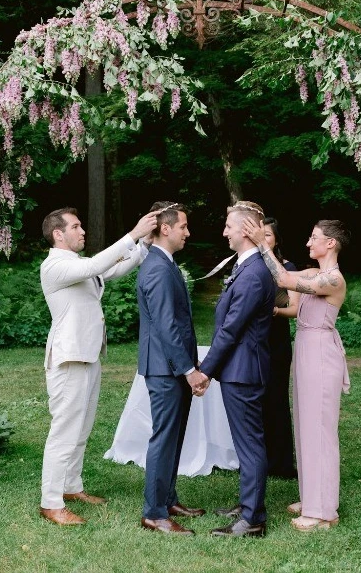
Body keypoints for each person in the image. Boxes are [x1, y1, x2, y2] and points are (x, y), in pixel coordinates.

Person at [38, 207, 158, 527]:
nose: (83, 232)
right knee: (64, 431)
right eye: (76, 227)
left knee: (82, 428)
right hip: (69, 358)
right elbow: (96, 264)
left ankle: (72, 486)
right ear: (58, 234)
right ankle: (51, 502)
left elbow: (111, 270)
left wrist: (143, 245)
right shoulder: (54, 266)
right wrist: (132, 233)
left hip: (88, 355)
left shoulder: (77, 265)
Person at [243, 217, 351, 532]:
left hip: (320, 352)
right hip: (306, 348)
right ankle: (312, 497)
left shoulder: (333, 279)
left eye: (314, 237)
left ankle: (322, 513)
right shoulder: (316, 272)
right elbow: (282, 275)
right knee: (305, 426)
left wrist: (262, 243)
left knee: (320, 430)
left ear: (330, 243)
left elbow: (284, 280)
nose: (308, 243)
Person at [199, 201, 277, 538]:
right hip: (239, 368)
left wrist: (205, 369)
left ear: (245, 229)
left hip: (243, 370)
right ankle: (248, 505)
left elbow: (231, 328)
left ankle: (252, 519)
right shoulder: (248, 267)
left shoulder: (254, 273)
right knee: (248, 442)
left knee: (249, 444)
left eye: (229, 226)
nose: (224, 232)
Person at [135, 202, 208, 535]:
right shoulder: (158, 268)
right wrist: (188, 369)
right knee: (164, 438)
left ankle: (168, 499)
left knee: (174, 437)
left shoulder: (165, 263)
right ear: (165, 228)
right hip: (166, 369)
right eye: (183, 226)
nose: (187, 233)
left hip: (170, 367)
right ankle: (153, 512)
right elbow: (166, 325)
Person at [262, 218, 299, 479]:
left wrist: (276, 310)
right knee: (256, 402)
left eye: (268, 235)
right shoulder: (251, 265)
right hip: (255, 341)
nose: (264, 239)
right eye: (259, 234)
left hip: (276, 339)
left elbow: (295, 308)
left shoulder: (287, 268)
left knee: (276, 400)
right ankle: (258, 459)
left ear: (276, 239)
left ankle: (282, 462)